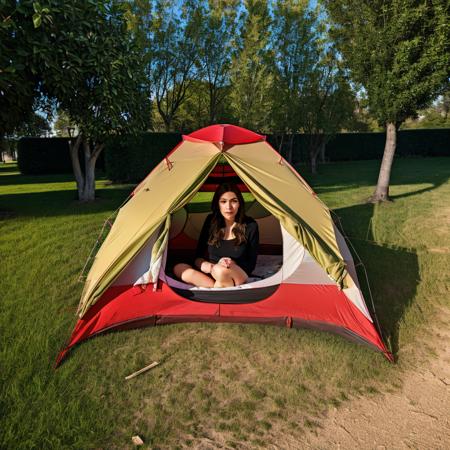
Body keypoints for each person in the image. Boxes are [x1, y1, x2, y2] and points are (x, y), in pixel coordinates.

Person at [173, 183, 259, 288]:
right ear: (217, 204)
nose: (229, 207)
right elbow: (198, 257)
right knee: (180, 268)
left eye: (234, 201)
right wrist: (206, 265)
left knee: (221, 271)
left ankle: (218, 286)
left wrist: (232, 263)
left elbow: (251, 265)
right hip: (213, 271)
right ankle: (218, 287)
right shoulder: (211, 221)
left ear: (239, 203)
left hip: (237, 273)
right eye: (223, 201)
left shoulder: (250, 225)